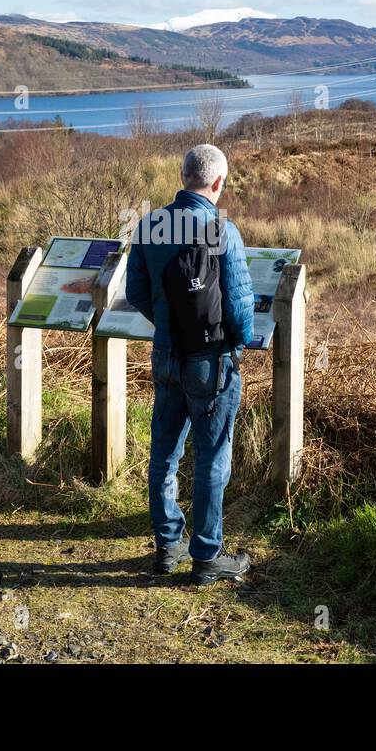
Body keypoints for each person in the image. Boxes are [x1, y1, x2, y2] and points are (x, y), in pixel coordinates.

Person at [127, 144, 255, 585]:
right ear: (217, 182)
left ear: (184, 177)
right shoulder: (223, 230)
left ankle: (167, 546)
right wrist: (237, 345)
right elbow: (239, 307)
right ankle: (207, 556)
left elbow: (138, 292)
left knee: (164, 451)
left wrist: (167, 323)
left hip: (166, 357)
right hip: (211, 360)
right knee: (211, 455)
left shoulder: (148, 226)